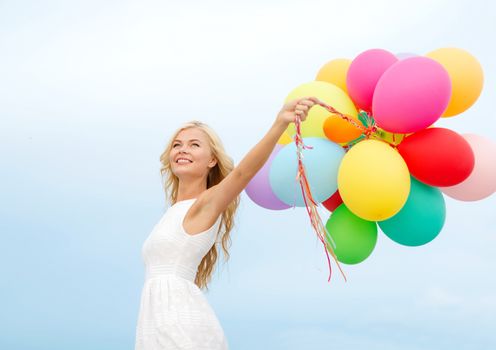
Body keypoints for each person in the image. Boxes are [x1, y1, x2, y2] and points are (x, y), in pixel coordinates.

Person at [134, 96, 321, 349]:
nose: (182, 149)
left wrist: (279, 124)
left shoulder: (205, 203)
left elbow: (243, 173)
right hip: (157, 325)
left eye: (194, 145)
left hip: (180, 326)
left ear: (212, 160)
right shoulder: (172, 214)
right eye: (177, 144)